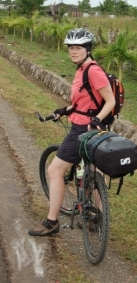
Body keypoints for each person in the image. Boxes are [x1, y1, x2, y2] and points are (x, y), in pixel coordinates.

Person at [28, 28, 115, 236]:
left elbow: (109, 101)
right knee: (95, 173)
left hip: (83, 130)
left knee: (55, 171)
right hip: (92, 127)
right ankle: (96, 218)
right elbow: (86, 102)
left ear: (88, 49)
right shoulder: (82, 70)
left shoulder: (92, 71)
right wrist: (64, 110)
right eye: (71, 48)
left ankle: (51, 222)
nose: (73, 52)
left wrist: (96, 119)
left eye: (78, 48)